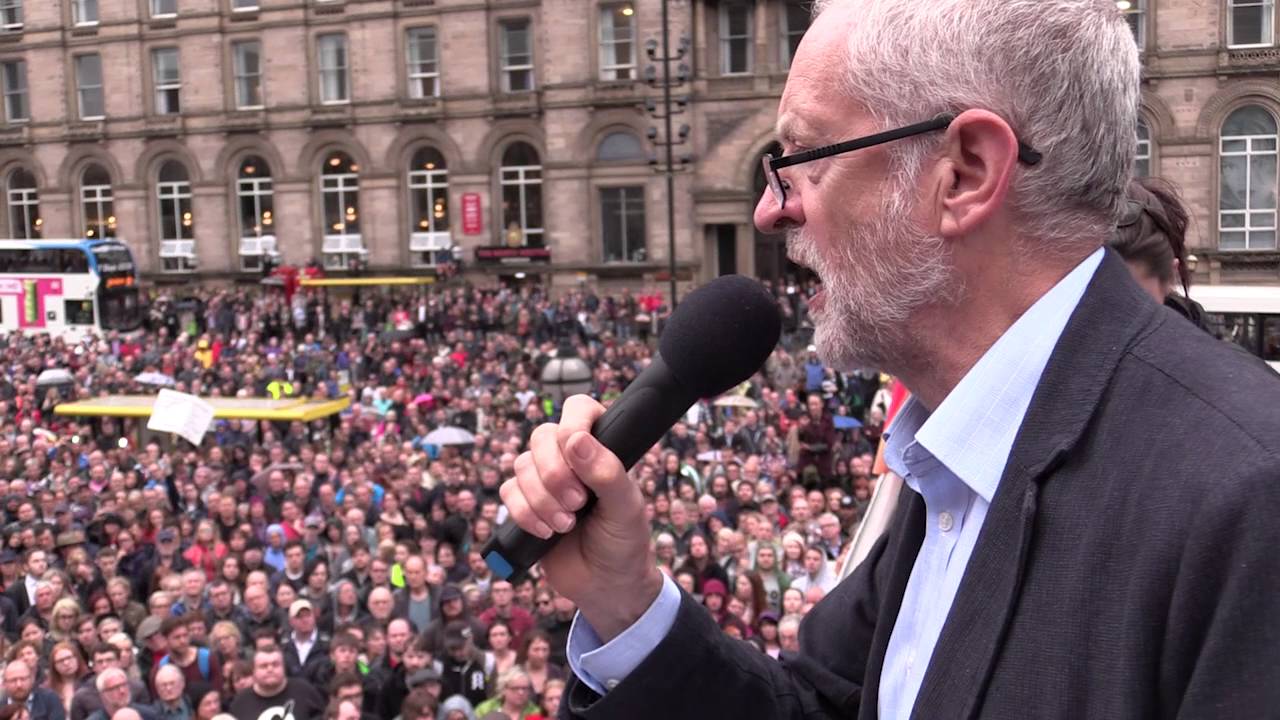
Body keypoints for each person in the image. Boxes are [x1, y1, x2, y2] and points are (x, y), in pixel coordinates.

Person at [498, 0, 1280, 717]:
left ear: (966, 172)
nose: (771, 210)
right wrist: (627, 601)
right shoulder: (949, 461)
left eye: (806, 156)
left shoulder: (1245, 500)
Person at [228, 648, 325, 720]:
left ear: (284, 667)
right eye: (263, 666)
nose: (270, 669)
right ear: (254, 671)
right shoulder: (240, 702)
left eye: (275, 664)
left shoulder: (305, 691)